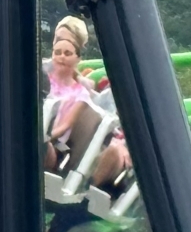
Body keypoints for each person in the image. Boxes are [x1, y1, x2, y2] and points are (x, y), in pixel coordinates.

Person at [43, 14, 130, 190]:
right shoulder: (40, 72)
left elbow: (69, 124)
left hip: (54, 144)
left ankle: (86, 187)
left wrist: (45, 135)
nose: (62, 53)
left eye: (68, 47)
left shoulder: (82, 92)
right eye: (58, 41)